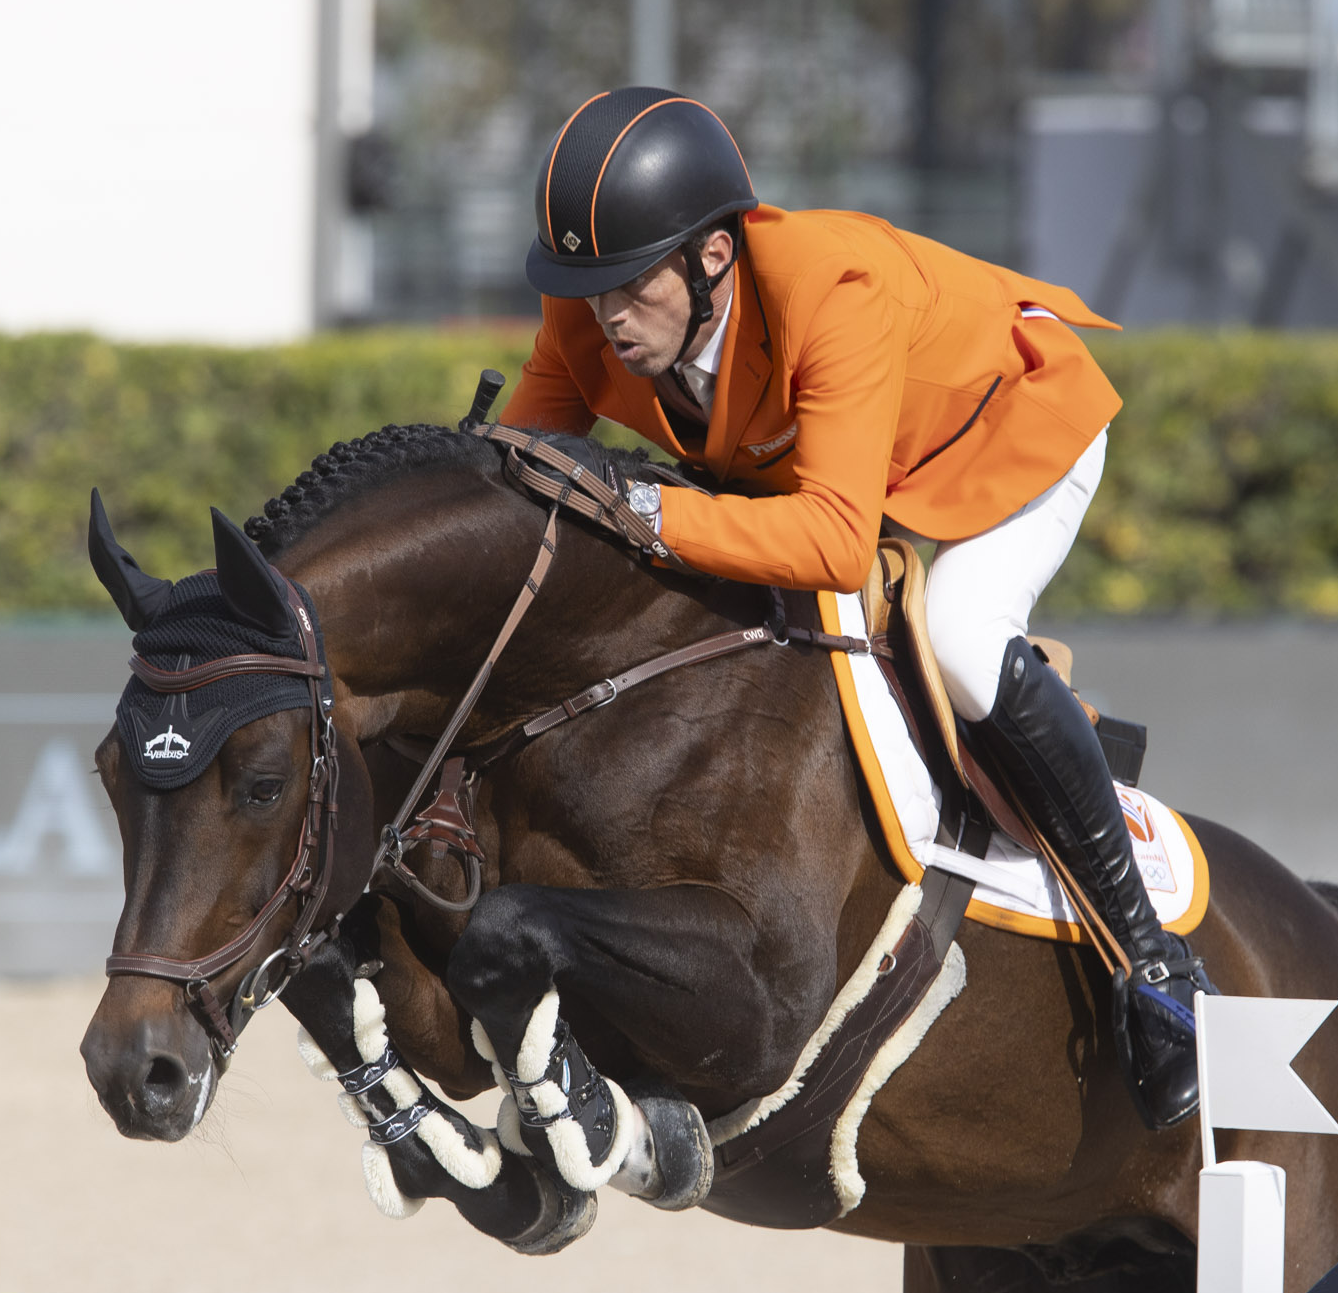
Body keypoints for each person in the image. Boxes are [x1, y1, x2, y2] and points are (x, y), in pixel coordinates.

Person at [501, 87, 1213, 1139]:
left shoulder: (831, 290)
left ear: (709, 258)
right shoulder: (593, 313)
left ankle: (1148, 957)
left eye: (628, 283)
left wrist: (646, 510)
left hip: (1010, 437)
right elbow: (521, 480)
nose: (605, 315)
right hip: (824, 471)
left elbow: (832, 538)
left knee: (962, 644)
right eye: (586, 285)